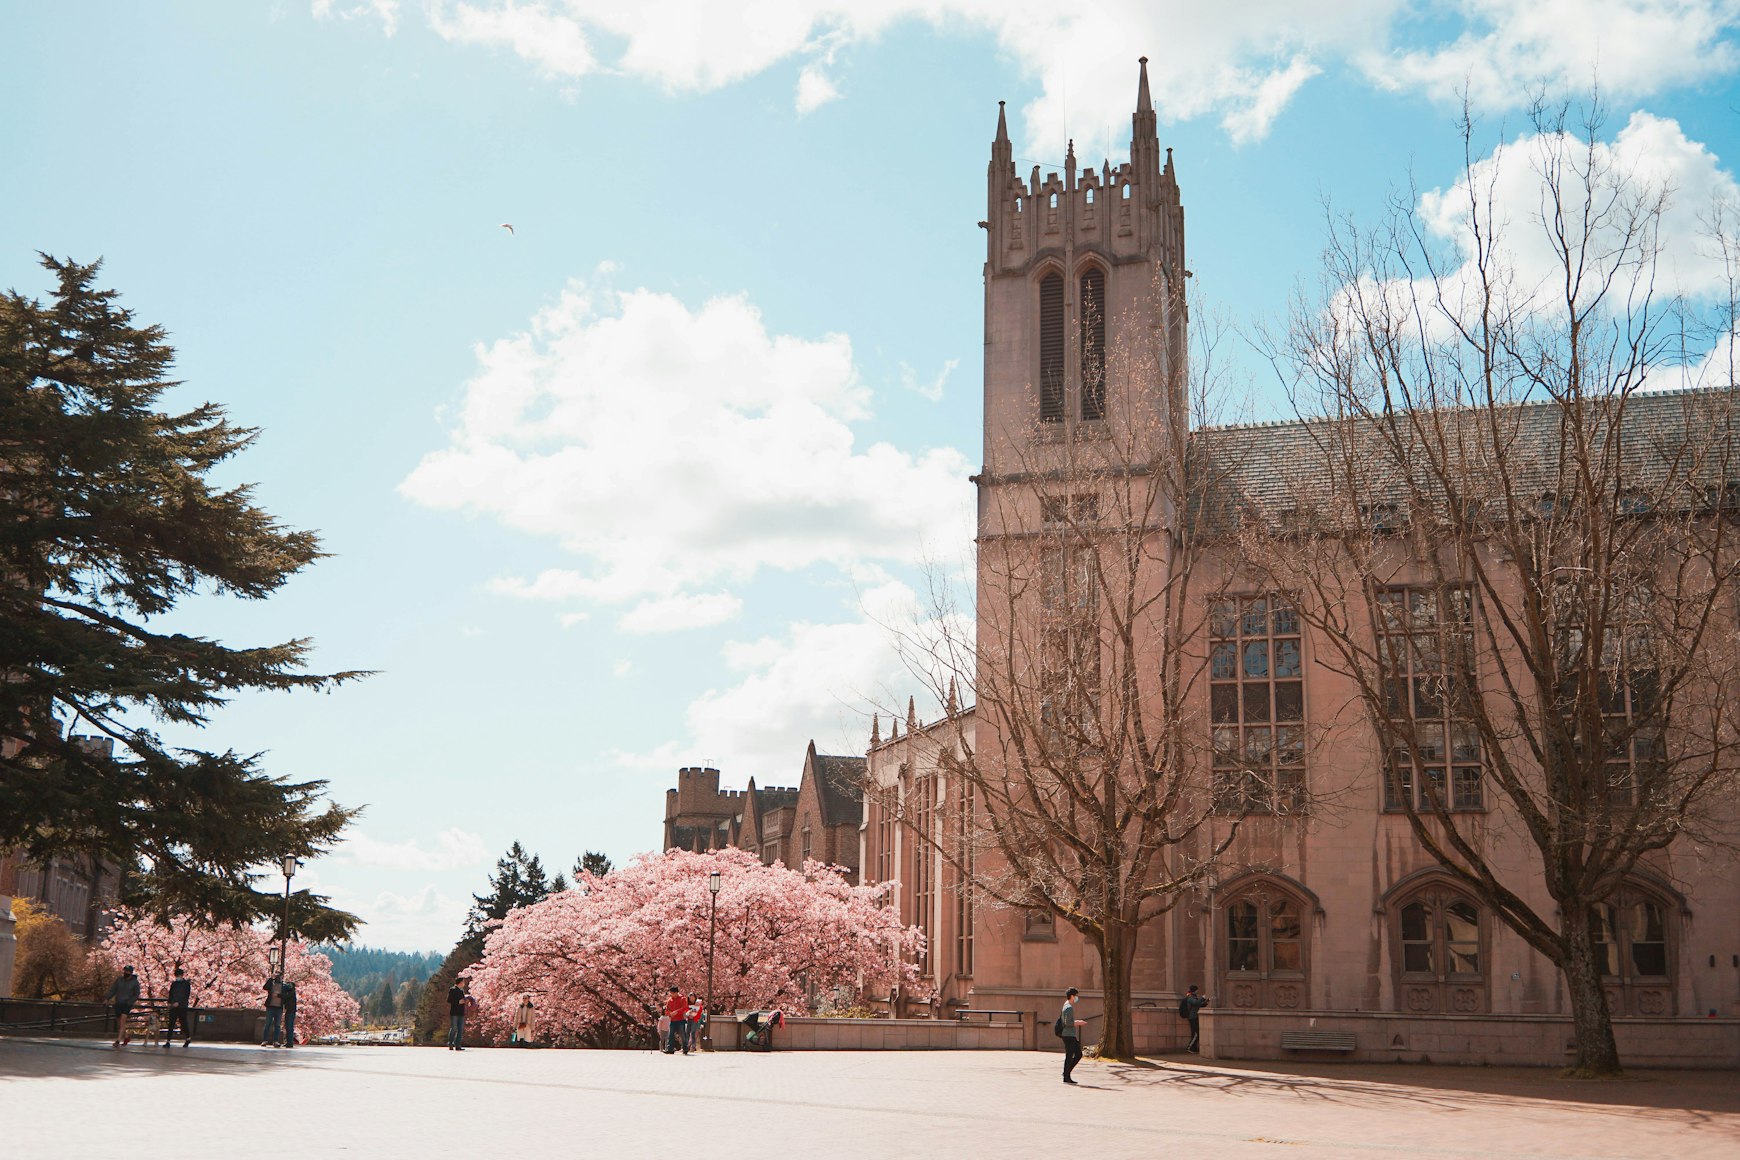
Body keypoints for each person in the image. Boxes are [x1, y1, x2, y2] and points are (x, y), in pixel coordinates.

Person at [106, 965, 141, 1047]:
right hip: (119, 1002)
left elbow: (136, 994)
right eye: (125, 971)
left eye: (128, 971)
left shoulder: (135, 983)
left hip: (127, 1004)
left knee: (122, 1021)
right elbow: (113, 989)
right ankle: (126, 1036)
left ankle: (118, 1040)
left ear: (131, 972)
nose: (126, 973)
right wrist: (107, 998)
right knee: (119, 1022)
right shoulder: (119, 980)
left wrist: (130, 1001)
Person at [1059, 988, 1084, 1083]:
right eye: (1076, 996)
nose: (1077, 998)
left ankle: (1066, 1073)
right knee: (1072, 1055)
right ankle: (1066, 1075)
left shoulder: (1066, 1005)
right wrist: (1078, 1022)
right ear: (1072, 996)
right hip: (1069, 1035)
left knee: (1076, 1054)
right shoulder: (1069, 1007)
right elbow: (1067, 1023)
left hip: (1069, 1035)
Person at [165, 965, 193, 1048]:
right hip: (173, 1006)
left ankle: (188, 1038)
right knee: (171, 1023)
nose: (177, 977)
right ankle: (168, 1041)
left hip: (182, 1007)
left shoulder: (186, 984)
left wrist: (179, 1003)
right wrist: (169, 1002)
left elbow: (186, 995)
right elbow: (171, 994)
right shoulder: (174, 984)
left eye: (178, 975)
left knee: (183, 1023)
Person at [1180, 984, 1210, 1053]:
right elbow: (1196, 1003)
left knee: (1195, 1033)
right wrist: (1203, 998)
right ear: (1194, 990)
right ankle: (1189, 1047)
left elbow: (1199, 1004)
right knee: (1196, 1034)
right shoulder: (1190, 997)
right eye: (1197, 990)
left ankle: (1193, 1048)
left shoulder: (1193, 996)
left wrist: (1206, 1002)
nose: (1198, 991)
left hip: (1194, 1017)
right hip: (1192, 1017)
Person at [662, 986, 689, 1055]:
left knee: (682, 1034)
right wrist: (670, 1013)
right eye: (670, 993)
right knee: (671, 1034)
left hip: (681, 1019)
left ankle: (685, 1048)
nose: (671, 994)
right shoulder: (670, 1000)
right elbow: (667, 1010)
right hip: (673, 1020)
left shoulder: (682, 999)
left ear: (676, 992)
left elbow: (684, 1007)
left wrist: (676, 1011)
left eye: (672, 993)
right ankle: (670, 1049)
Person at [447, 980, 470, 1050]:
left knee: (460, 1029)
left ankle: (458, 1045)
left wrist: (465, 1001)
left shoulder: (461, 991)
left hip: (461, 1012)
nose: (464, 983)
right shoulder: (452, 990)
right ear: (460, 983)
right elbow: (449, 1000)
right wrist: (458, 1002)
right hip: (454, 1012)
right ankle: (450, 1043)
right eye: (463, 982)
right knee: (454, 1028)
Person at [261, 976, 283, 1046]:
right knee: (267, 1024)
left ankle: (276, 1041)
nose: (278, 978)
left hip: (279, 1007)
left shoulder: (283, 986)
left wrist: (279, 995)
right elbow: (265, 987)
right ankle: (265, 1040)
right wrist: (270, 979)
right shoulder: (271, 984)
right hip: (270, 1007)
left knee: (277, 1025)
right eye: (276, 977)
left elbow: (286, 995)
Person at [279, 978, 298, 1047]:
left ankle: (290, 1042)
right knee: (287, 1027)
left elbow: (285, 996)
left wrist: (279, 995)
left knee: (289, 1027)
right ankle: (288, 1042)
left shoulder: (292, 992)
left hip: (291, 1011)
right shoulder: (291, 992)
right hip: (289, 1011)